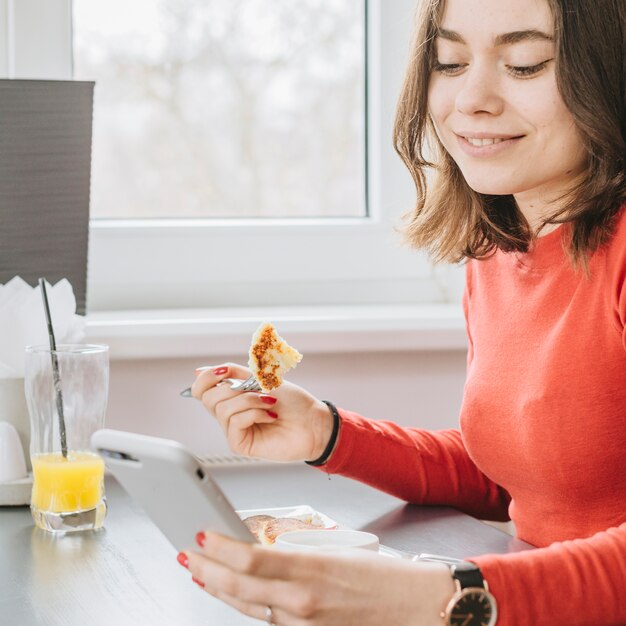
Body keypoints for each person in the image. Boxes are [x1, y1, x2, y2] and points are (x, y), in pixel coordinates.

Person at [181, 0, 626, 624]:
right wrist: (329, 434)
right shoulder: (497, 250)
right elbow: (525, 474)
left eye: (525, 64)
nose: (472, 97)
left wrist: (446, 596)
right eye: (449, 60)